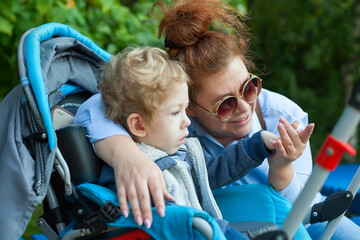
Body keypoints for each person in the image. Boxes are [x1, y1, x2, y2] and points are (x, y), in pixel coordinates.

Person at [75, 0, 360, 239]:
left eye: (249, 87)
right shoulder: (170, 127)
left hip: (294, 212)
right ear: (189, 106)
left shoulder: (283, 116)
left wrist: (282, 169)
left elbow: (305, 212)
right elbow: (96, 105)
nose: (245, 107)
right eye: (225, 105)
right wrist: (127, 157)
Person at [93, 45, 290, 239]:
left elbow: (212, 171)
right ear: (138, 125)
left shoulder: (177, 151)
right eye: (175, 112)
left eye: (185, 109)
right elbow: (175, 223)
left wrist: (256, 146)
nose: (187, 121)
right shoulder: (141, 178)